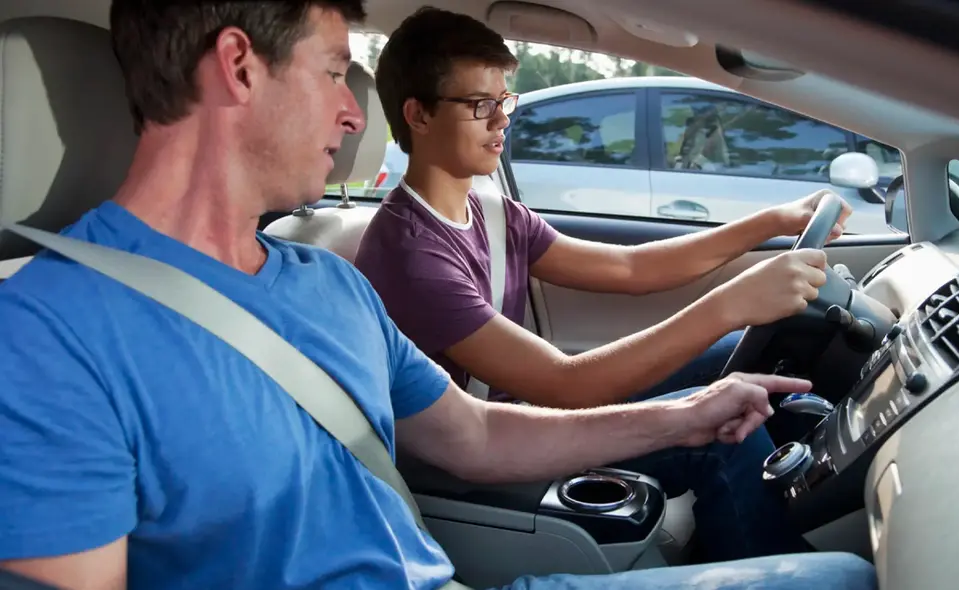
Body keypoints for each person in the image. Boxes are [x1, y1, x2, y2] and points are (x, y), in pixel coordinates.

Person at [0, 1, 875, 589]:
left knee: (844, 578)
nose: (354, 115)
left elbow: (479, 433)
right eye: (336, 72)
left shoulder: (326, 282)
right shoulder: (42, 335)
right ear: (238, 65)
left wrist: (688, 415)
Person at [355, 6, 854, 563]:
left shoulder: (492, 213)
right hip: (481, 459)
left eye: (504, 100)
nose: (502, 120)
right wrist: (731, 303)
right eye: (479, 106)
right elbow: (564, 384)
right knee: (720, 434)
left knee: (732, 357)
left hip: (525, 417)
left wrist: (774, 221)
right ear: (418, 115)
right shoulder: (410, 254)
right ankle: (782, 570)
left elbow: (629, 268)